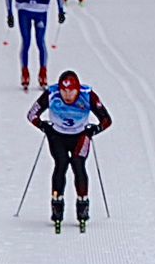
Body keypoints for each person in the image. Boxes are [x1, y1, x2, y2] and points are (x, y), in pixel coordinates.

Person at [26, 70, 112, 233]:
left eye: (71, 91)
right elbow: (31, 114)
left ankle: (83, 205)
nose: (67, 95)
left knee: (78, 165)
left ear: (78, 89)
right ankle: (57, 205)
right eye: (64, 91)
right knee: (61, 164)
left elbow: (107, 120)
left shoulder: (87, 95)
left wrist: (95, 129)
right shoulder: (51, 94)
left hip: (81, 136)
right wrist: (43, 126)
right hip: (57, 136)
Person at [5, 0, 67, 90]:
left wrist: (61, 11)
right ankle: (25, 72)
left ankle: (43, 73)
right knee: (26, 41)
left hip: (40, 13)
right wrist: (10, 13)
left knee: (40, 41)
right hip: (24, 12)